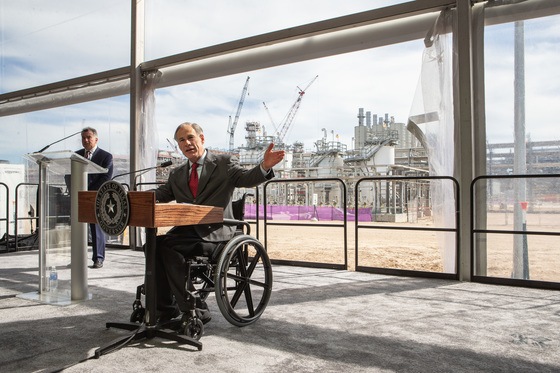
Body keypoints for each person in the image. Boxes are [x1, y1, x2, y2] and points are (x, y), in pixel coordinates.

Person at [152, 122, 284, 325]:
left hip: (217, 233)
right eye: (181, 140)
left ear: (201, 139)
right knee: (152, 246)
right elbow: (160, 195)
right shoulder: (176, 174)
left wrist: (264, 166)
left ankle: (194, 307)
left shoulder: (223, 163)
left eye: (190, 137)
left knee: (167, 246)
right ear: (178, 146)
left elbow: (246, 178)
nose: (187, 143)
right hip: (187, 232)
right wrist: (131, 198)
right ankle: (165, 309)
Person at [73, 127, 114, 269]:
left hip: (96, 196)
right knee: (78, 227)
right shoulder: (76, 155)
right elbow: (71, 174)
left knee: (96, 228)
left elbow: (106, 177)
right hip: (79, 196)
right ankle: (78, 257)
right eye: (83, 137)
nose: (85, 140)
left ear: (96, 139)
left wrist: (89, 190)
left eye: (88, 137)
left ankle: (98, 258)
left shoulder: (105, 156)